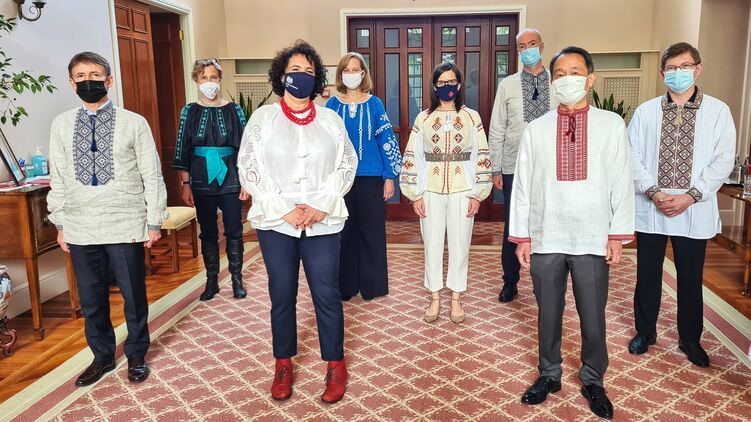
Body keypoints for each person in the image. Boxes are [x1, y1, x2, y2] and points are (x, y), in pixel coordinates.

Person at [509, 46, 634, 419]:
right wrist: (523, 236)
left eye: (575, 72)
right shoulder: (537, 128)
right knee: (548, 311)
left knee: (592, 313)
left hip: (592, 234)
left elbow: (621, 181)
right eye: (560, 74)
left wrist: (616, 234)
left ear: (590, 78)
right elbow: (523, 186)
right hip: (546, 232)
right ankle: (549, 373)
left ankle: (593, 378)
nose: (567, 80)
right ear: (552, 82)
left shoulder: (611, 124)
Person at [237, 40, 356, 403]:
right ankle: (283, 363)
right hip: (277, 222)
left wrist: (322, 204)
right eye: (294, 71)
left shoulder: (331, 120)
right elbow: (250, 166)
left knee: (326, 293)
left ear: (317, 78)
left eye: (308, 71)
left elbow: (346, 163)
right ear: (281, 76)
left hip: (322, 219)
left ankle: (335, 363)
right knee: (282, 294)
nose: (301, 76)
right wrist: (282, 208)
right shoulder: (263, 119)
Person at [48, 51, 168, 387]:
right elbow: (58, 176)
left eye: (95, 75)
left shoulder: (134, 122)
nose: (88, 81)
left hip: (125, 221)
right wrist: (60, 224)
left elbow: (151, 172)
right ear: (72, 83)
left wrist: (154, 220)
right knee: (91, 298)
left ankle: (137, 354)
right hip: (80, 224)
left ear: (109, 81)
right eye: (81, 76)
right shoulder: (61, 125)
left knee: (133, 294)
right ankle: (101, 357)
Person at [627, 42, 735, 367]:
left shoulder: (718, 111)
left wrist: (691, 196)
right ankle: (645, 332)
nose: (678, 73)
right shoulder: (646, 112)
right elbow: (630, 154)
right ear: (663, 74)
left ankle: (690, 339)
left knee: (690, 278)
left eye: (685, 66)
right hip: (652, 206)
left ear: (697, 69)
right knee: (647, 274)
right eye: (672, 68)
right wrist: (653, 191)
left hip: (694, 209)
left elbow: (723, 159)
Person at [400, 62, 493, 324]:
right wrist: (415, 194)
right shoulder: (423, 118)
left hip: (463, 189)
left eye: (451, 82)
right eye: (441, 83)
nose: (447, 87)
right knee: (431, 244)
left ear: (459, 85)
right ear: (434, 86)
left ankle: (456, 298)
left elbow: (481, 153)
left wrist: (478, 193)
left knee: (460, 244)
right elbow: (413, 155)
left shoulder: (472, 117)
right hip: (430, 188)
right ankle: (434, 298)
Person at [325, 52, 402, 301]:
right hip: (341, 180)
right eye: (346, 70)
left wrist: (389, 176)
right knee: (344, 233)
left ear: (363, 73)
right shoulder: (332, 106)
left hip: (371, 177)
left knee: (372, 232)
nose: (351, 74)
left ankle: (373, 286)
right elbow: (325, 144)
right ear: (341, 74)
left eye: (355, 69)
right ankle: (346, 286)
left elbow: (386, 140)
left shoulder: (375, 103)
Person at [173, 58, 249, 301]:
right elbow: (182, 148)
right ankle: (212, 281)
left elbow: (246, 147)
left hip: (230, 174)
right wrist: (186, 184)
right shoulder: (189, 111)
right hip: (200, 176)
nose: (209, 82)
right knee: (207, 231)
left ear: (220, 80)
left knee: (234, 229)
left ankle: (237, 279)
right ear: (196, 80)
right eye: (204, 77)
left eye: (213, 77)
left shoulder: (235, 110)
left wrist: (246, 181)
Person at [488, 28, 556, 303]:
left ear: (542, 46)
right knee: (513, 225)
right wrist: (495, 167)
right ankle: (510, 281)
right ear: (517, 51)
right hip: (513, 166)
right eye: (522, 46)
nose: (527, 49)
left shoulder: (557, 81)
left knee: (547, 223)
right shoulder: (507, 85)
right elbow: (497, 127)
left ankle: (544, 282)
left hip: (551, 167)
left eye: (532, 44)